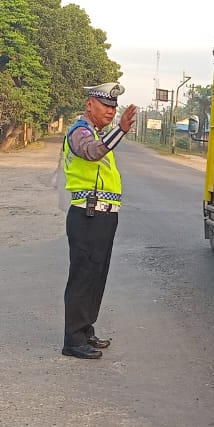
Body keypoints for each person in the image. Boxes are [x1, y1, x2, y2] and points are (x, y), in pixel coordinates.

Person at [60, 82, 137, 359]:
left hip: (103, 216)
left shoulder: (96, 133)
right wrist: (122, 131)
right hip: (87, 215)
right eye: (106, 105)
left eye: (114, 107)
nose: (111, 111)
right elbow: (92, 152)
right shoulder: (79, 132)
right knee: (83, 277)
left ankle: (86, 330)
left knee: (97, 276)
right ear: (89, 104)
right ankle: (73, 340)